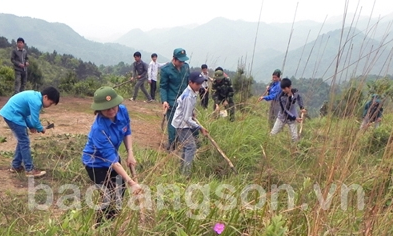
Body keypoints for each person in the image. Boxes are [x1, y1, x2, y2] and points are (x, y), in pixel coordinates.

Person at [82, 86, 141, 225]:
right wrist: (131, 182)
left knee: (119, 192)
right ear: (99, 109)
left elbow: (127, 131)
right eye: (107, 108)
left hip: (113, 157)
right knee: (110, 197)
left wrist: (130, 153)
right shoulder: (98, 129)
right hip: (96, 163)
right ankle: (99, 227)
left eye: (113, 106)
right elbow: (112, 161)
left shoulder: (123, 110)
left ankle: (112, 223)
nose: (111, 110)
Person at [0, 87, 60, 177]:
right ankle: (29, 169)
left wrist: (31, 126)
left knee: (22, 140)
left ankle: (15, 166)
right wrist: (41, 128)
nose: (49, 106)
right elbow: (35, 120)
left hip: (13, 114)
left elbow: (25, 114)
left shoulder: (35, 97)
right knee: (24, 141)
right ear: (45, 97)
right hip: (13, 115)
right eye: (50, 103)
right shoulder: (36, 102)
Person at [172, 72, 209, 176]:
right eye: (197, 84)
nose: (200, 86)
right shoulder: (188, 96)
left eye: (201, 83)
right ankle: (186, 174)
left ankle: (181, 170)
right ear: (191, 83)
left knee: (186, 147)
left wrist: (192, 112)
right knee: (191, 147)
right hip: (181, 124)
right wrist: (200, 128)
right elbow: (186, 119)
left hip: (183, 122)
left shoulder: (192, 92)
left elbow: (187, 111)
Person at [160, 48, 190, 150]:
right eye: (180, 61)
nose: (182, 63)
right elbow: (163, 86)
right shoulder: (166, 70)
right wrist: (164, 100)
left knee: (183, 123)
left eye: (183, 61)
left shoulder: (186, 67)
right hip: (172, 102)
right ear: (174, 59)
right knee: (172, 125)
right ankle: (172, 145)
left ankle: (181, 143)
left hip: (185, 101)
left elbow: (188, 84)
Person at [270, 78, 306, 142]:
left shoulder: (295, 92)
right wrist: (295, 118)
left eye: (285, 88)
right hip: (282, 117)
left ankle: (295, 149)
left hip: (292, 117)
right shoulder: (281, 97)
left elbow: (299, 98)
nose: (283, 90)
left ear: (289, 87)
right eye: (282, 89)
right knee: (273, 134)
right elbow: (285, 110)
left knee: (295, 138)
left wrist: (302, 107)